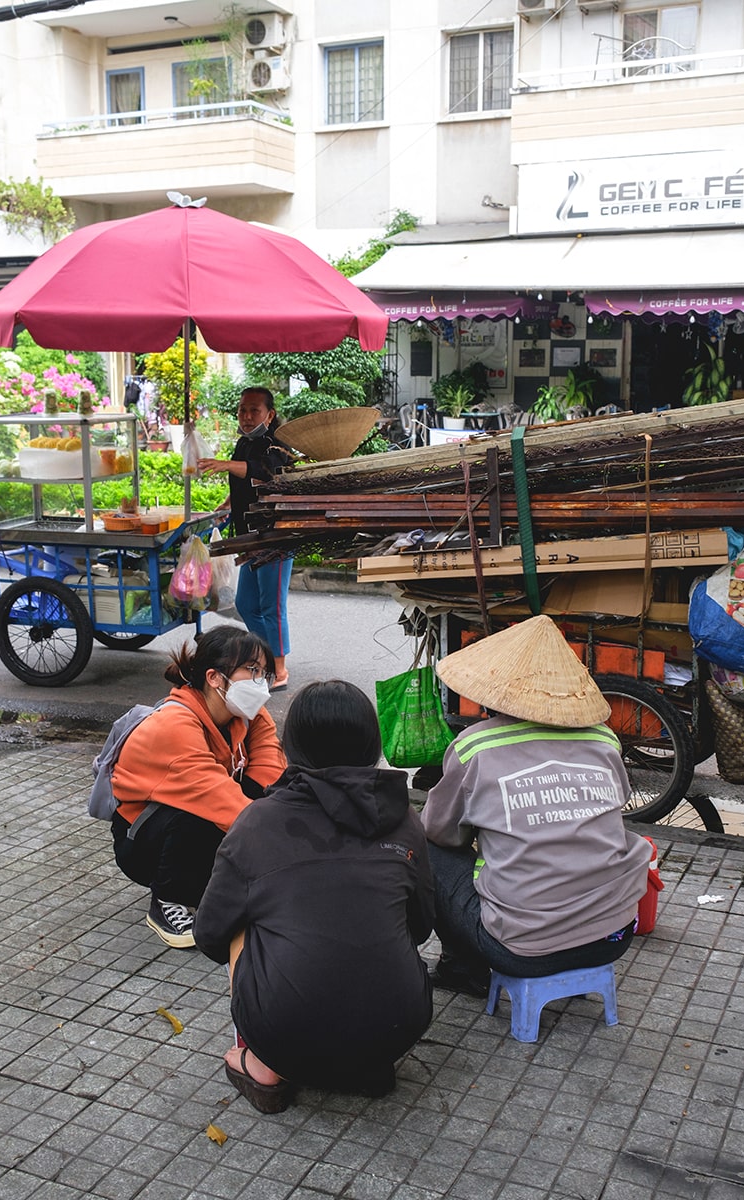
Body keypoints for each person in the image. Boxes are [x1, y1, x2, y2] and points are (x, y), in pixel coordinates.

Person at [194, 680, 434, 1113]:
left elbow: (210, 933)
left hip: (285, 1029)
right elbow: (420, 926)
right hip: (399, 1025)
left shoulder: (257, 823)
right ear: (372, 743)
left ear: (291, 747)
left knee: (242, 919)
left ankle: (265, 1065)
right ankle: (364, 1062)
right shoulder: (405, 820)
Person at [420, 615, 652, 999]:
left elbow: (440, 832)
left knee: (425, 848)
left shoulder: (476, 747)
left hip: (521, 951)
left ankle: (463, 969)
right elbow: (618, 801)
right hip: (614, 935)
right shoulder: (604, 740)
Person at [110, 625, 287, 949]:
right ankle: (167, 900)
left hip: (206, 812)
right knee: (200, 815)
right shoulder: (174, 725)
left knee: (261, 801)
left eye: (264, 673)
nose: (261, 683)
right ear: (214, 677)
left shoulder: (250, 716)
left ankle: (213, 887)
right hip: (143, 839)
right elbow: (217, 796)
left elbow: (271, 774)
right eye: (252, 671)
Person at [198, 387, 294, 690]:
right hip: (250, 537)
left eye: (254, 410)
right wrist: (228, 503)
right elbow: (244, 483)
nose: (247, 416)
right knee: (246, 603)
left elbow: (263, 474)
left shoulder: (277, 446)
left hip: (275, 536)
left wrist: (225, 465)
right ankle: (263, 656)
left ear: (270, 414)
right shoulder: (244, 442)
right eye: (242, 410)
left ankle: (279, 670)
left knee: (272, 606)